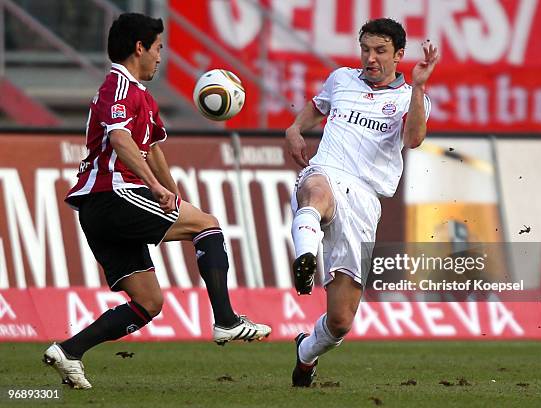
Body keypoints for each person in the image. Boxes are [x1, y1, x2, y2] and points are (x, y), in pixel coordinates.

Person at [42, 13, 270, 389]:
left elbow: (152, 150)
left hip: (99, 209)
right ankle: (227, 320)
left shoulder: (142, 97)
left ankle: (69, 351)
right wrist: (153, 186)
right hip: (114, 194)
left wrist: (171, 193)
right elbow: (121, 141)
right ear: (139, 48)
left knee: (149, 303)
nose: (161, 56)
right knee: (208, 225)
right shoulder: (118, 88)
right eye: (159, 47)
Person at [285, 18, 439, 386]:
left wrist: (418, 87)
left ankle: (306, 352)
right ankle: (304, 257)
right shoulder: (341, 79)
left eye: (380, 51)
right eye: (365, 49)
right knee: (316, 193)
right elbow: (317, 106)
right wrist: (294, 128)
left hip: (366, 199)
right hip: (326, 170)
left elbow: (414, 139)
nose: (370, 58)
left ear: (399, 55)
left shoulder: (409, 98)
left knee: (340, 322)